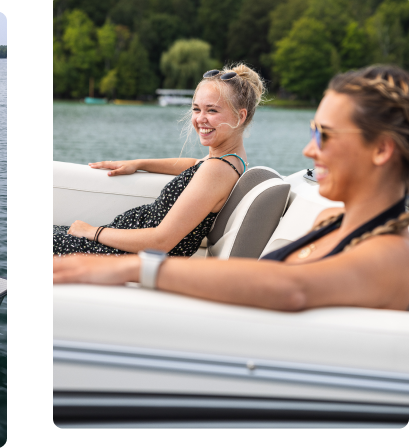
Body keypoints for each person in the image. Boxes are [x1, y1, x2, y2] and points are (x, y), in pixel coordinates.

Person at [53, 65, 409, 312]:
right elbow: (199, 166)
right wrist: (140, 162)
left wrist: (134, 269)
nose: (309, 150)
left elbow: (291, 288)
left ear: (381, 150)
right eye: (313, 132)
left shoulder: (393, 254)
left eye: (325, 135)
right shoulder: (333, 221)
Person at [53, 63, 264, 258]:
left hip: (124, 254)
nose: (200, 119)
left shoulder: (217, 169)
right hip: (121, 244)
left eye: (212, 110)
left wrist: (92, 231)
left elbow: (160, 241)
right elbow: (194, 165)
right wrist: (140, 163)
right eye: (196, 109)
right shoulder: (230, 160)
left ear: (240, 116)